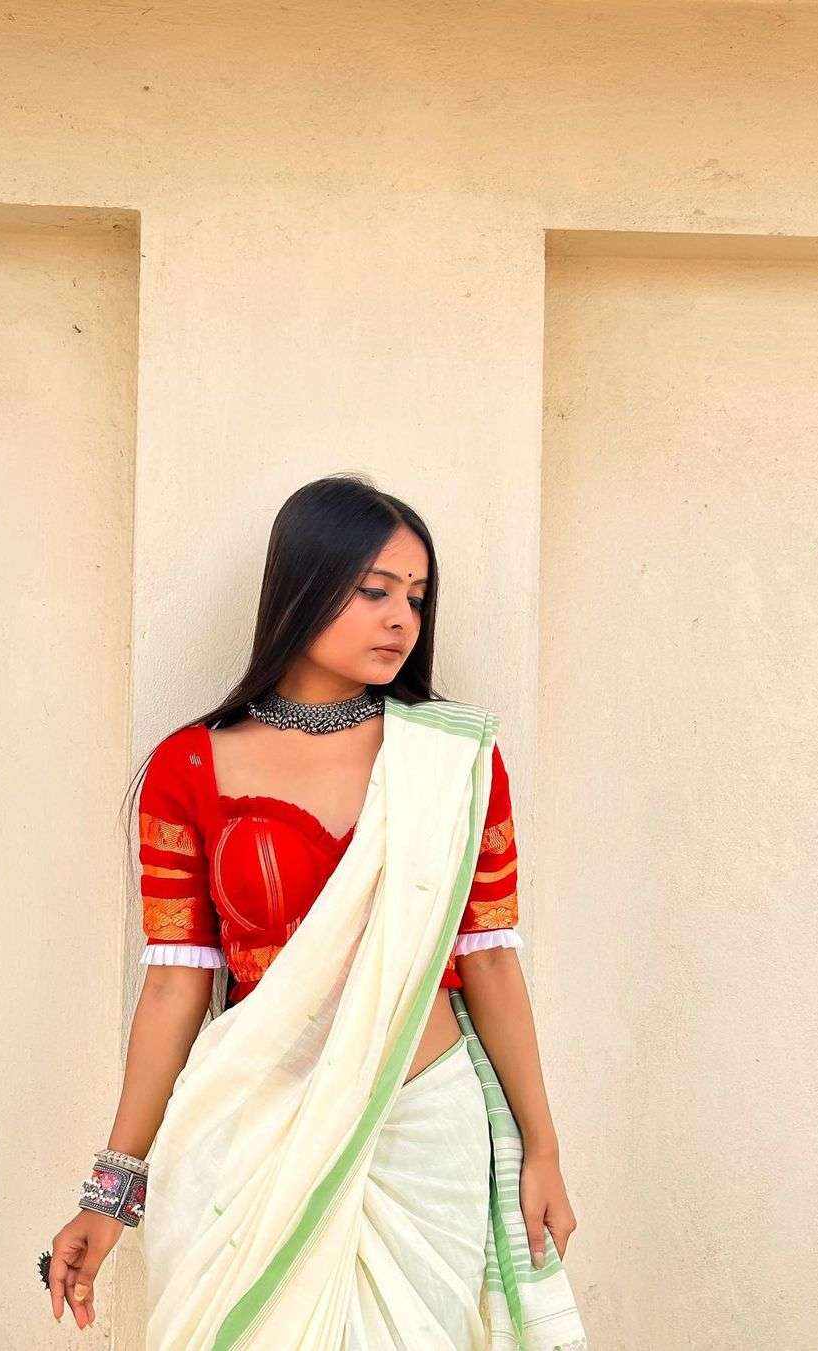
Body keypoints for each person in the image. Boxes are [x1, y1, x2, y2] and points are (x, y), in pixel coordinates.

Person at [46, 474, 588, 1348]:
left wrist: (541, 1148)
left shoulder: (450, 761)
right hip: (254, 1123)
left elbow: (488, 957)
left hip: (422, 1128)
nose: (402, 618)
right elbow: (175, 987)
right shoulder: (191, 766)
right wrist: (111, 1191)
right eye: (375, 590)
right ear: (303, 585)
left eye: (416, 596)